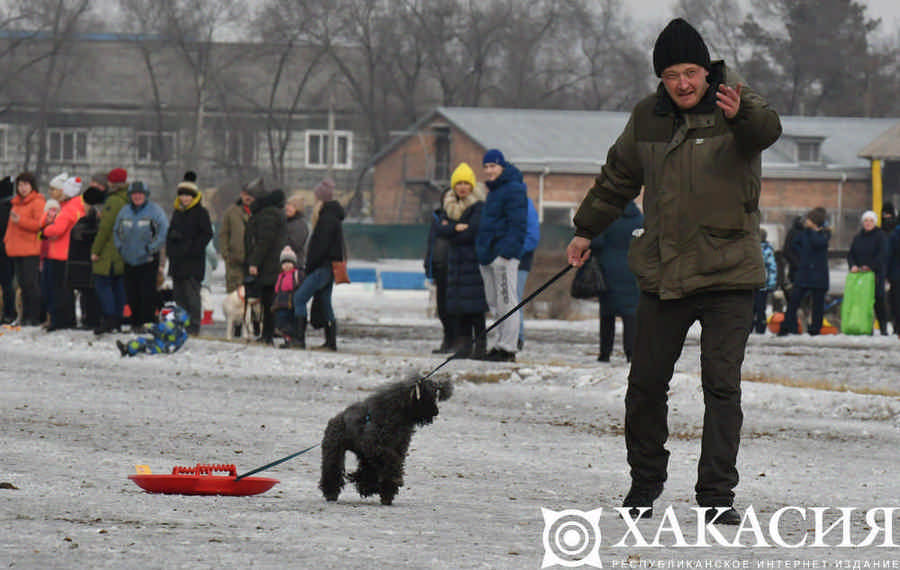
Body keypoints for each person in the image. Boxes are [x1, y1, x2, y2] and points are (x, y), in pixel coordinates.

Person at [565, 18, 782, 525]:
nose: (683, 83)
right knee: (644, 385)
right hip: (666, 276)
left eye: (690, 72)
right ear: (660, 79)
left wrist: (744, 110)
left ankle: (716, 497)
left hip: (729, 276)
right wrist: (584, 230)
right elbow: (617, 176)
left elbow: (766, 130)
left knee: (721, 386)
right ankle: (644, 485)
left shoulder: (737, 107)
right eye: (670, 75)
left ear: (706, 71)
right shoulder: (648, 118)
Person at [475, 149, 528, 362]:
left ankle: (508, 347)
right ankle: (498, 345)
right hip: (488, 255)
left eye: (493, 166)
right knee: (495, 303)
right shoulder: (494, 191)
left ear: (502, 167)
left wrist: (506, 253)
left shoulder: (514, 189)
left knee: (507, 301)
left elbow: (518, 225)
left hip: (503, 257)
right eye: (486, 167)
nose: (489, 171)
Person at [435, 163, 488, 359]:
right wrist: (455, 229)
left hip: (472, 263)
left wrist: (451, 229)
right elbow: (439, 228)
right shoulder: (447, 206)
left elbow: (471, 232)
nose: (463, 187)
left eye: (466, 183)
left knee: (475, 309)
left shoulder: (478, 207)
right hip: (454, 263)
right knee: (459, 308)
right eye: (459, 183)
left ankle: (480, 347)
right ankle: (464, 347)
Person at [289, 178, 344, 350]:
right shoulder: (334, 217)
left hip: (321, 267)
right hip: (329, 267)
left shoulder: (326, 219)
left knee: (299, 298)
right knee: (326, 302)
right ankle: (331, 341)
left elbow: (320, 246)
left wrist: (310, 265)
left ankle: (299, 339)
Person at [590, 200, 643, 361]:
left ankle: (605, 353)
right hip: (633, 270)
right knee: (631, 314)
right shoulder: (640, 219)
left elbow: (596, 242)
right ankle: (631, 353)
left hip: (608, 269)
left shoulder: (607, 218)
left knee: (607, 313)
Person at [114, 181, 169, 330]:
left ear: (146, 195)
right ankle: (135, 322)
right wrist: (120, 248)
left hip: (148, 260)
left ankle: (147, 322)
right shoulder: (124, 211)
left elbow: (163, 232)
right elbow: (116, 231)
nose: (137, 197)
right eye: (134, 194)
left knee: (147, 293)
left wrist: (151, 248)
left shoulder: (155, 211)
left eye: (140, 194)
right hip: (129, 260)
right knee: (132, 293)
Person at [166, 172, 213, 336]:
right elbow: (170, 234)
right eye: (182, 195)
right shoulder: (177, 212)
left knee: (192, 296)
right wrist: (172, 246)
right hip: (177, 262)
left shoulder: (201, 213)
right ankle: (181, 324)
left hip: (193, 263)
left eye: (188, 196)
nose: (185, 198)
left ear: (194, 197)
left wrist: (192, 248)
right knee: (179, 296)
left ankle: (193, 326)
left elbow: (206, 234)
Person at [39, 175, 84, 331]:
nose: (52, 192)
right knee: (62, 289)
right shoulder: (73, 206)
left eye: (56, 189)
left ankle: (60, 320)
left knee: (58, 290)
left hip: (60, 253)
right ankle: (63, 319)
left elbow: (57, 228)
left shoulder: (68, 208)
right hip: (62, 252)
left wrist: (45, 231)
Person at [244, 186, 287, 344]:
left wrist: (254, 262)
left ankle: (267, 335)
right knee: (268, 300)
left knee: (268, 300)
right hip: (273, 263)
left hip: (268, 264)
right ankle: (267, 334)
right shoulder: (275, 213)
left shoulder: (267, 214)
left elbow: (264, 241)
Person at [4, 172, 46, 326]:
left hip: (30, 249)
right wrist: (7, 241)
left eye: (25, 185)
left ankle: (34, 316)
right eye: (20, 185)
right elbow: (11, 227)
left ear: (32, 186)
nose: (22, 188)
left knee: (30, 283)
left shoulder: (37, 202)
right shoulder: (16, 203)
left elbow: (39, 224)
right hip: (16, 249)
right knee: (21, 284)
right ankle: (25, 315)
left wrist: (21, 221)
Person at [780, 207, 830, 336]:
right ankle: (786, 326)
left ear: (814, 221)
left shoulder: (823, 234)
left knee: (818, 304)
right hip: (804, 273)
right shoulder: (804, 233)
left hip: (819, 274)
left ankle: (815, 329)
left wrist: (814, 232)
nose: (806, 221)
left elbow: (818, 243)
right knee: (794, 301)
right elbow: (795, 245)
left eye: (809, 219)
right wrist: (803, 258)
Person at [90, 168, 129, 334]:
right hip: (123, 250)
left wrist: (95, 250)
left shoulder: (112, 201)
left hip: (109, 251)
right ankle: (118, 319)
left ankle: (109, 318)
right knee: (118, 285)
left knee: (103, 284)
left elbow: (105, 228)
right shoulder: (127, 198)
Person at [67, 174, 106, 329]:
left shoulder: (100, 209)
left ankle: (92, 318)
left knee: (92, 290)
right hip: (82, 256)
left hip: (93, 255)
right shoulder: (83, 211)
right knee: (85, 290)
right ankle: (86, 317)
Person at [847, 210, 889, 335]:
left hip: (875, 275)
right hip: (860, 276)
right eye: (866, 221)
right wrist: (853, 265)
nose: (868, 223)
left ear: (875, 222)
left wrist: (871, 266)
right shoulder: (858, 237)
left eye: (871, 221)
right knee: (862, 302)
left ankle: (883, 329)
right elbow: (851, 254)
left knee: (878, 302)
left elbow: (882, 255)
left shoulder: (880, 236)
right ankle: (864, 327)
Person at [424, 188, 454, 353]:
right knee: (441, 308)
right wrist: (428, 264)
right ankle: (447, 339)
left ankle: (455, 341)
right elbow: (432, 242)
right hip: (439, 265)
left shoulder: (458, 218)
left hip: (453, 267)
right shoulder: (437, 218)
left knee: (452, 308)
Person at [115, 302, 190, 357]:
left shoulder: (171, 325)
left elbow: (160, 329)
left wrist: (149, 327)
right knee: (142, 340)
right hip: (163, 343)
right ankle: (128, 348)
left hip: (164, 346)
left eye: (165, 313)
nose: (162, 316)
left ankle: (129, 349)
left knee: (142, 343)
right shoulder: (181, 329)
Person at [220, 181, 255, 295]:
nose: (248, 197)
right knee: (233, 299)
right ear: (241, 194)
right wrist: (226, 255)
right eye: (245, 194)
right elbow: (223, 234)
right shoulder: (231, 212)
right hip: (234, 263)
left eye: (251, 194)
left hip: (254, 264)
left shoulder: (260, 212)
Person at [517, 197, 540, 350]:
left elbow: (532, 237)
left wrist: (513, 252)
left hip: (519, 260)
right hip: (507, 257)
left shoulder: (525, 204)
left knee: (514, 300)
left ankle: (518, 337)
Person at [272, 246, 304, 344]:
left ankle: (291, 338)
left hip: (290, 304)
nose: (287, 266)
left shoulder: (296, 274)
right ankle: (287, 338)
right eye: (284, 263)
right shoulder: (280, 276)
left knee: (290, 323)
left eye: (289, 263)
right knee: (281, 323)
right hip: (280, 305)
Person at [752, 227, 778, 334]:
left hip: (759, 284)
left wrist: (771, 284)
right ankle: (757, 327)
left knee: (758, 307)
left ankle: (758, 328)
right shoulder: (765, 250)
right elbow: (772, 268)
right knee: (757, 307)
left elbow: (772, 268)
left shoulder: (763, 250)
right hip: (759, 284)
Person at [0, 176, 16, 324]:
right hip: (11, 249)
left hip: (3, 250)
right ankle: (10, 311)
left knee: (6, 283)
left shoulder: (3, 208)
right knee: (9, 283)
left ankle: (8, 312)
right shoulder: (14, 206)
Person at [284, 193, 310, 272]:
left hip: (293, 266)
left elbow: (294, 244)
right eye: (287, 204)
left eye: (292, 206)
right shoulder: (287, 222)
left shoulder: (299, 224)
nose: (287, 207)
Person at [887, 219, 900, 339]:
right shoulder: (894, 235)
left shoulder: (894, 235)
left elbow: (889, 255)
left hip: (896, 275)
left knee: (896, 302)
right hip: (896, 274)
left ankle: (897, 328)